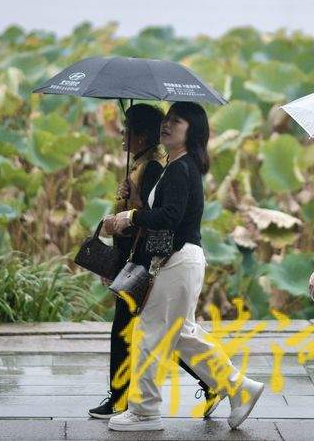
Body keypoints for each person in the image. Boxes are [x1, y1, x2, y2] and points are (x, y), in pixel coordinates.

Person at [101, 102, 264, 432]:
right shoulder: (177, 166)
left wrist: (131, 216)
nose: (167, 125)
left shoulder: (180, 168)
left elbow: (170, 217)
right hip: (182, 260)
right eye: (168, 119)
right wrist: (133, 200)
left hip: (179, 260)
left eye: (177, 121)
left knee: (150, 332)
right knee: (182, 336)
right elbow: (164, 211)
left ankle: (145, 412)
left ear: (193, 131)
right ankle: (239, 388)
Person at [88, 103, 220, 420]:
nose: (123, 134)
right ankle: (211, 381)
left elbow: (156, 220)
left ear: (142, 135)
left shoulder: (155, 169)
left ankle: (120, 398)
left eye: (128, 129)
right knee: (164, 333)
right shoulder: (147, 166)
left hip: (145, 261)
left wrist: (128, 214)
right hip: (143, 260)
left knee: (130, 331)